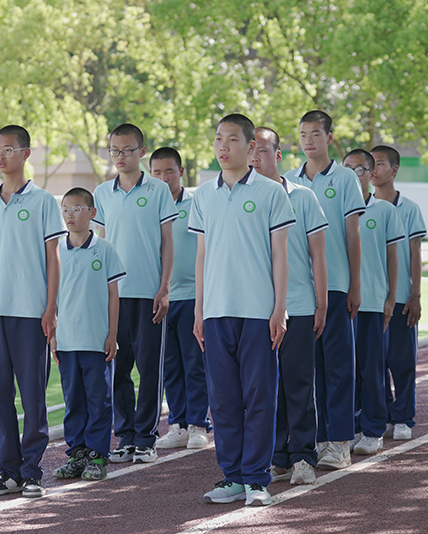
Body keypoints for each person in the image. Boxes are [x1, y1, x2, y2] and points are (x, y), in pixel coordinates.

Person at [191, 113, 295, 507]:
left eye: (232, 139)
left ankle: (256, 480)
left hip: (258, 312)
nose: (223, 146)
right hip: (216, 312)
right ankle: (232, 477)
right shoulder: (204, 195)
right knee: (222, 400)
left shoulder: (271, 193)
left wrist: (279, 308)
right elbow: (201, 256)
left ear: (251, 147)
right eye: (219, 138)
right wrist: (199, 311)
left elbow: (280, 255)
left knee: (260, 397)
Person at [0, 125, 67, 498]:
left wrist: (51, 308)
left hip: (31, 313)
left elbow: (53, 259)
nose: (0, 156)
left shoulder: (43, 202)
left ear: (26, 153)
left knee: (32, 396)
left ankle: (31, 472)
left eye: (8, 149)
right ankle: (9, 473)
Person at [283, 110, 365, 470]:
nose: (309, 141)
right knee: (306, 369)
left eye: (316, 134)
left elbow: (352, 234)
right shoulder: (288, 181)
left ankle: (340, 441)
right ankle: (316, 439)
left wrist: (354, 284)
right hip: (301, 290)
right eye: (303, 134)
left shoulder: (345, 178)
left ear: (329, 138)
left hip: (335, 285)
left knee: (338, 367)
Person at [93, 124, 179, 464]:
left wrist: (164, 287)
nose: (120, 156)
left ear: (141, 152)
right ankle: (126, 436)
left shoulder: (158, 190)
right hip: (113, 296)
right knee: (117, 368)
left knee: (149, 368)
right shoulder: (102, 193)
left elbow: (168, 242)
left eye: (127, 150)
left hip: (148, 293)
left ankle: (146, 437)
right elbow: (100, 245)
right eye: (115, 150)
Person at [250, 127, 328, 485]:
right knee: (266, 388)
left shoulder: (304, 197)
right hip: (256, 309)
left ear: (278, 155)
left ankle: (303, 457)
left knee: (298, 383)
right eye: (251, 150)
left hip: (297, 306)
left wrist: (321, 303)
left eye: (263, 151)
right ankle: (278, 457)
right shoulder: (245, 199)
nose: (255, 158)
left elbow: (318, 254)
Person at [50, 187, 126, 481]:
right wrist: (53, 336)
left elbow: (113, 295)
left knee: (99, 400)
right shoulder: (55, 251)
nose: (70, 215)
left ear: (92, 213)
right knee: (74, 402)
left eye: (77, 209)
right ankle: (77, 455)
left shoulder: (105, 250)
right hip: (67, 341)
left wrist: (112, 334)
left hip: (96, 340)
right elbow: (51, 298)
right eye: (65, 210)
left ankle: (97, 456)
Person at [343, 149, 404, 455]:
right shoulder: (336, 209)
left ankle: (373, 429)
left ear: (370, 173)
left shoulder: (384, 211)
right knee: (345, 371)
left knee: (372, 370)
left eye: (359, 169)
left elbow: (393, 258)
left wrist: (391, 298)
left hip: (372, 304)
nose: (353, 175)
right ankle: (351, 427)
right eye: (347, 169)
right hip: (341, 303)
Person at [149, 147, 211, 450]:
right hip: (160, 298)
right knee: (170, 367)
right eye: (157, 173)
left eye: (169, 171)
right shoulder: (149, 207)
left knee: (194, 364)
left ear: (181, 172)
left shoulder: (197, 203)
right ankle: (178, 424)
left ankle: (199, 424)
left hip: (191, 297)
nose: (164, 178)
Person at [371, 145, 427, 441]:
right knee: (374, 363)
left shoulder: (409, 209)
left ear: (394, 170)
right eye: (371, 164)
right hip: (371, 300)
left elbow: (415, 253)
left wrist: (415, 294)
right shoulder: (361, 206)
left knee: (402, 362)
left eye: (380, 163)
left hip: (402, 299)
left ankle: (403, 417)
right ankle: (384, 415)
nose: (374, 169)